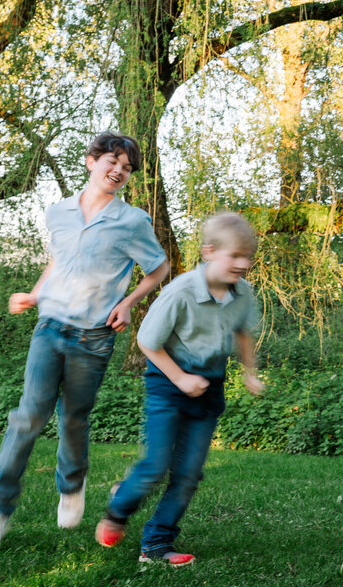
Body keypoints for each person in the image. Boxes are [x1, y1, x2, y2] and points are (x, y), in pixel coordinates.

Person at [0, 133, 169, 552]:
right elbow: (59, 260)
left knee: (74, 419)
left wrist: (130, 302)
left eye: (127, 168)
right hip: (50, 327)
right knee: (28, 417)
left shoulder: (131, 221)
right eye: (112, 161)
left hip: (94, 337)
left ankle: (71, 484)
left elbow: (158, 267)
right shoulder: (58, 212)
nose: (118, 171)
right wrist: (35, 292)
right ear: (90, 161)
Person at [95, 212, 264, 566]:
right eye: (235, 255)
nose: (243, 264)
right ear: (209, 251)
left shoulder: (243, 292)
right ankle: (119, 508)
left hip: (209, 386)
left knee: (188, 474)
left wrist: (250, 372)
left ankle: (155, 545)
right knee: (156, 465)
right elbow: (147, 341)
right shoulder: (181, 292)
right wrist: (181, 379)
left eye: (247, 256)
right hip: (167, 383)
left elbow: (243, 332)